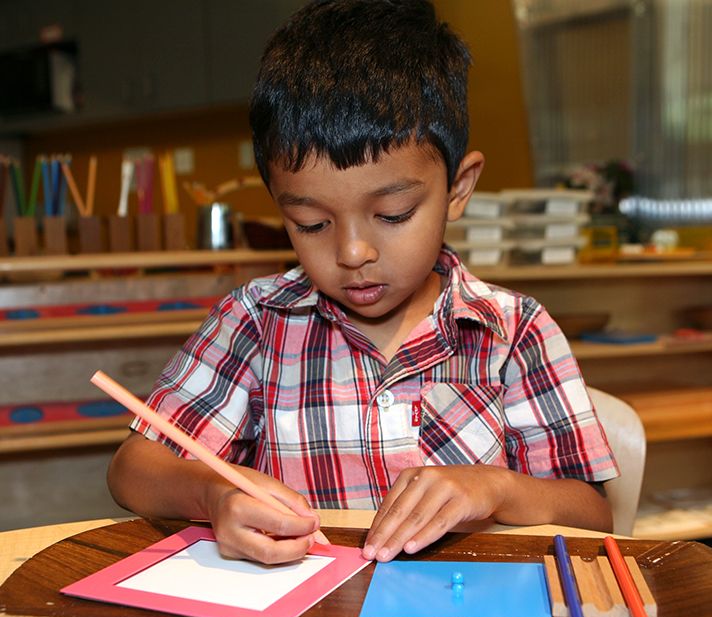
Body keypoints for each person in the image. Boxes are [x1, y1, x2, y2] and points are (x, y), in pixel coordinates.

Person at [107, 0, 618, 565]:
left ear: (459, 187)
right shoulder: (257, 322)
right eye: (312, 224)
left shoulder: (513, 332)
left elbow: (594, 514)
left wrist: (497, 489)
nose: (353, 253)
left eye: (394, 214)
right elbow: (133, 469)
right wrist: (213, 493)